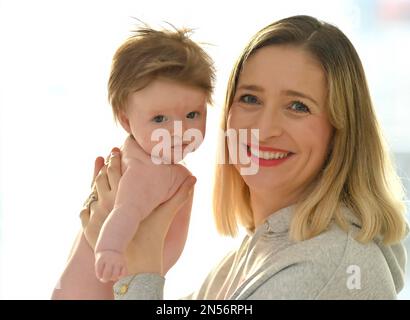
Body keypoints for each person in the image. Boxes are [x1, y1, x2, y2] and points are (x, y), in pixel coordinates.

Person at [53, 15, 408, 300]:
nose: (266, 128)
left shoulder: (323, 270)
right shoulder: (252, 256)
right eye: (250, 99)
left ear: (341, 130)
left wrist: (141, 268)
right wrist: (100, 236)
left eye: (298, 106)